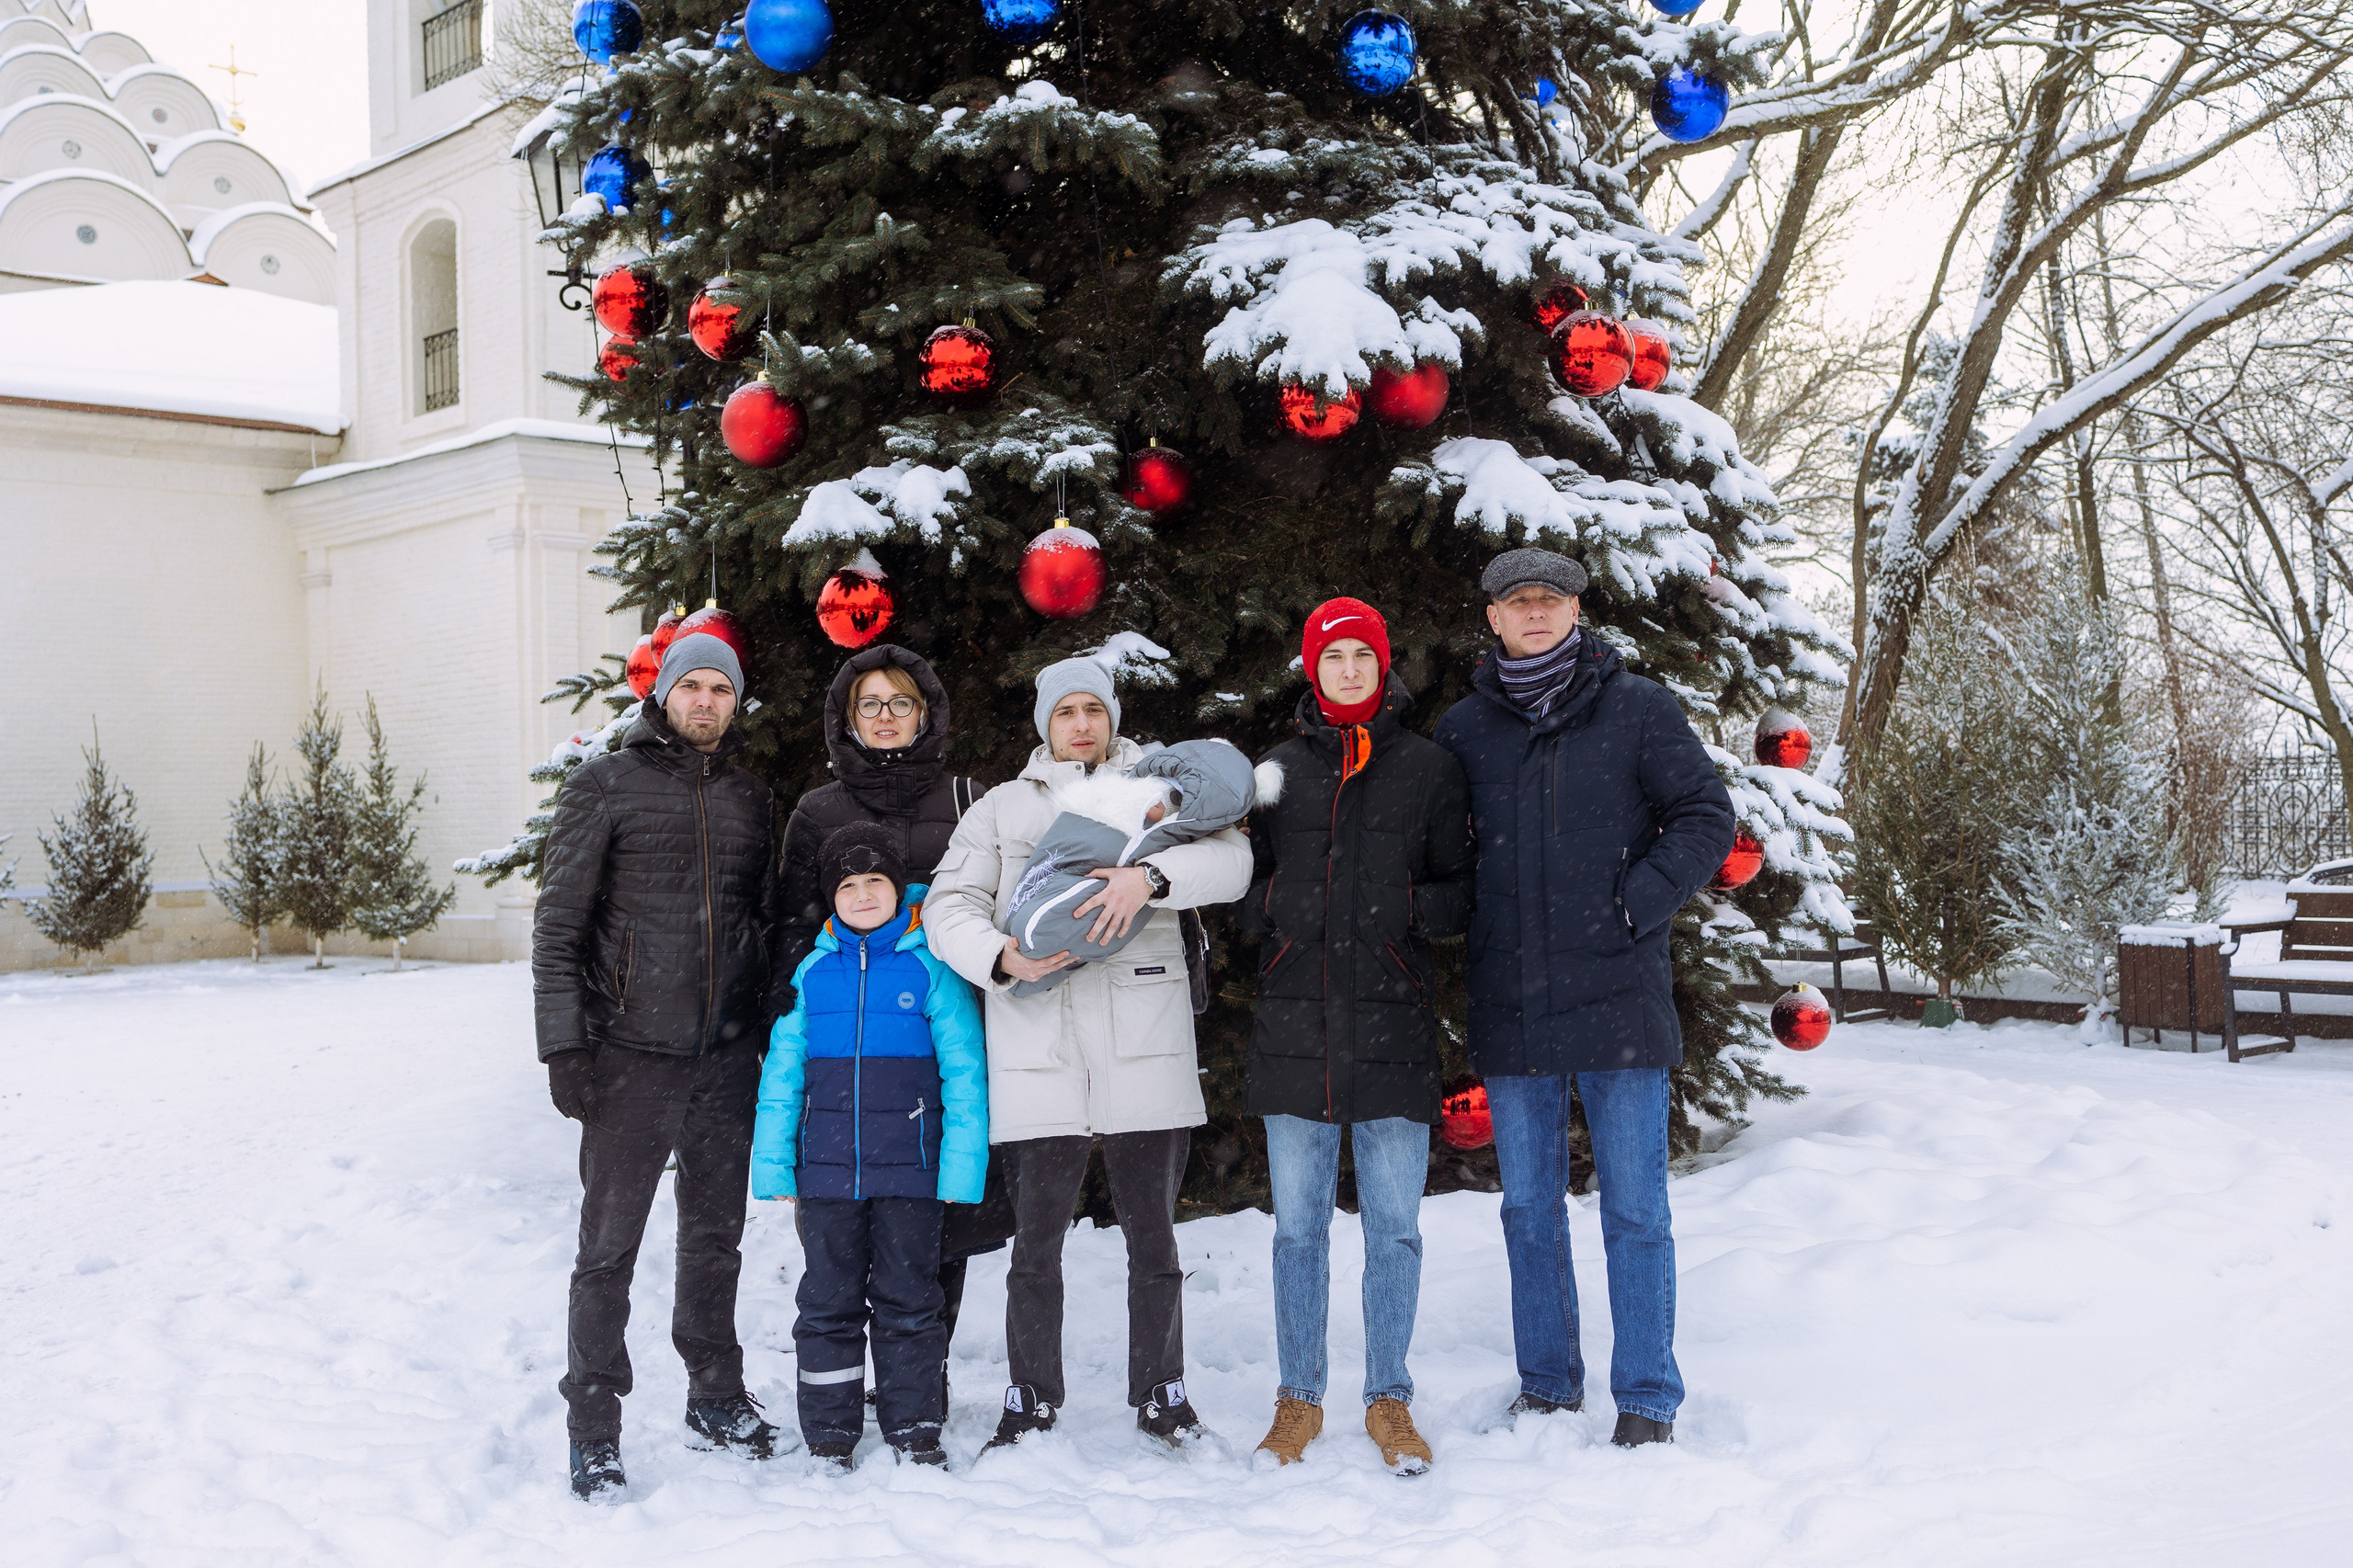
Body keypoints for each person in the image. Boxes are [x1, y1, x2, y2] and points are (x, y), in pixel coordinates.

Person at [1433, 548, 1735, 1449]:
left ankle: (1646, 1395)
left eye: (1551, 599)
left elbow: (1705, 814)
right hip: (1510, 995)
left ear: (1575, 611)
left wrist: (1637, 900)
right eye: (1517, 600)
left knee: (1635, 1207)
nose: (1534, 612)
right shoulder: (1463, 730)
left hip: (1618, 992)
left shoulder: (1637, 707)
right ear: (1491, 617)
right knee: (1527, 1206)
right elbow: (1447, 854)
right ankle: (1548, 1383)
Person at [925, 658, 1252, 1455]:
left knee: (1154, 1236)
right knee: (1035, 1243)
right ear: (1044, 723)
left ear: (1111, 718)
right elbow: (947, 903)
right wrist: (1001, 955)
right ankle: (1031, 1395)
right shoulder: (1001, 808)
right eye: (1064, 710)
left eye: (1092, 710)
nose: (1080, 724)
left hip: (1144, 1035)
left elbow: (1236, 863)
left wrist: (1151, 877)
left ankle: (1163, 1393)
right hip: (1037, 1044)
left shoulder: (1158, 785)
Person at [532, 631, 784, 1503]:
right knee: (608, 1249)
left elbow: (761, 921)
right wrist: (565, 1044)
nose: (706, 702)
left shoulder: (753, 799)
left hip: (725, 1056)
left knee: (715, 1240)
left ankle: (714, 1395)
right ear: (664, 695)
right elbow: (559, 927)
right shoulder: (605, 785)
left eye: (721, 688)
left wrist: (765, 1020)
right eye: (693, 687)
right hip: (629, 1054)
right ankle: (592, 1424)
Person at [1238, 597, 1474, 1476]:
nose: (1347, 670)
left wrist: (1402, 911)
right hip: (1294, 1024)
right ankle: (1298, 1400)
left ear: (1383, 670)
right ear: (1312, 668)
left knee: (1394, 1230)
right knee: (1297, 1231)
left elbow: (1462, 891)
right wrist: (1277, 911)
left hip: (1392, 1027)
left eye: (1361, 658)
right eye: (1331, 657)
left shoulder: (1429, 770)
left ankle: (1390, 1399)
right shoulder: (1273, 772)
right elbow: (1235, 881)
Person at [773, 644, 1000, 1393]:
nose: (886, 717)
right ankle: (843, 1374)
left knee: (936, 1220)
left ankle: (914, 1373)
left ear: (925, 711)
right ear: (848, 718)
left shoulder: (970, 799)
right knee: (844, 1224)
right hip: (853, 1043)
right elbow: (795, 923)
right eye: (869, 704)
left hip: (950, 1027)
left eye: (900, 702)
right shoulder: (819, 810)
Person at [751, 823, 988, 1472]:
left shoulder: (927, 966)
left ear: (897, 889)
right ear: (832, 896)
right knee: (827, 1300)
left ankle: (914, 1425)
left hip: (911, 1172)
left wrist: (961, 1170)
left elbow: (965, 1074)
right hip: (827, 1173)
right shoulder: (813, 971)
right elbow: (782, 1074)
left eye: (874, 881)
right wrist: (773, 1163)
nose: (861, 896)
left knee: (910, 1299)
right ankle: (829, 1432)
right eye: (847, 886)